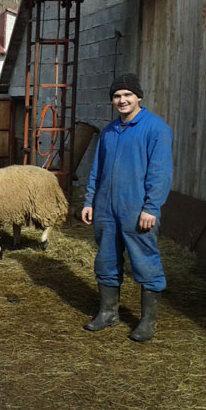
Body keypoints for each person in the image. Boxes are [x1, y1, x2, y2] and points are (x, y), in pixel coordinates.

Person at [81, 73, 173, 342]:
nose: (122, 100)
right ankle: (108, 313)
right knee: (106, 260)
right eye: (117, 96)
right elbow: (96, 169)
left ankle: (148, 321)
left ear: (138, 97)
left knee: (145, 262)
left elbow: (160, 172)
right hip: (106, 210)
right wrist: (89, 201)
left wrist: (151, 208)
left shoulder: (156, 128)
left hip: (137, 209)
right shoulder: (110, 131)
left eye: (127, 95)